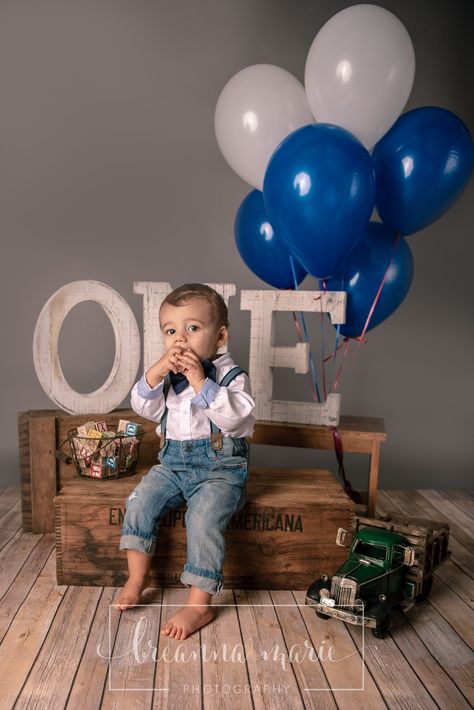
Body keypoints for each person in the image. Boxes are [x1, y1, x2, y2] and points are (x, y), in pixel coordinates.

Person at [117, 283, 255, 640]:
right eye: (171, 331)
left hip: (219, 472)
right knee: (140, 500)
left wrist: (199, 381)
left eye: (193, 328)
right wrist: (155, 372)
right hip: (172, 465)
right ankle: (138, 575)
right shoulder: (167, 378)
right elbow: (142, 406)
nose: (181, 340)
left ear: (220, 335)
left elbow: (237, 419)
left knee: (203, 517)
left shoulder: (231, 376)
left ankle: (199, 603)